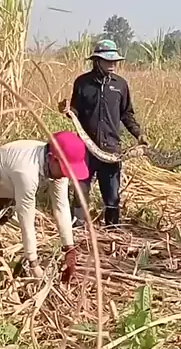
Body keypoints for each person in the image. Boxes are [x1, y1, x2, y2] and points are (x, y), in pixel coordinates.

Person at [0, 132, 89, 281]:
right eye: (65, 170)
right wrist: (34, 264)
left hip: (0, 189)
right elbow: (26, 220)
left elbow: (61, 206)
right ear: (51, 158)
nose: (65, 175)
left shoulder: (56, 165)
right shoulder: (26, 171)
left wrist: (69, 250)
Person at [60, 39, 148, 227]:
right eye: (108, 61)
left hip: (111, 148)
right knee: (81, 188)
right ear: (96, 61)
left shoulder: (121, 85)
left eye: (114, 61)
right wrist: (68, 111)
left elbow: (127, 114)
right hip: (85, 148)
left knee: (112, 194)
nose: (113, 64)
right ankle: (78, 226)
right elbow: (75, 111)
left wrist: (138, 134)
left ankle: (112, 228)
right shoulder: (82, 83)